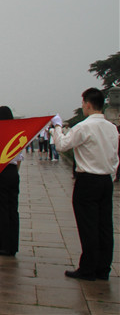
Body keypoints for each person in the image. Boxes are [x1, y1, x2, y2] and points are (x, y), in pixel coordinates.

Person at [51, 88, 118, 281]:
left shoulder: (84, 127)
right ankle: (103, 268)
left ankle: (88, 268)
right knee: (104, 225)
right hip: (105, 179)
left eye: (83, 104)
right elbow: (115, 157)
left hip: (88, 180)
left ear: (87, 104)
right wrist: (110, 175)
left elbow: (62, 145)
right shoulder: (111, 128)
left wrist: (57, 127)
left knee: (88, 225)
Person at [0, 106, 23, 256]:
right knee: (12, 210)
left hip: (0, 174)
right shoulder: (17, 133)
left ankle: (4, 246)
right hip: (13, 172)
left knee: (2, 210)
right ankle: (12, 246)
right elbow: (19, 159)